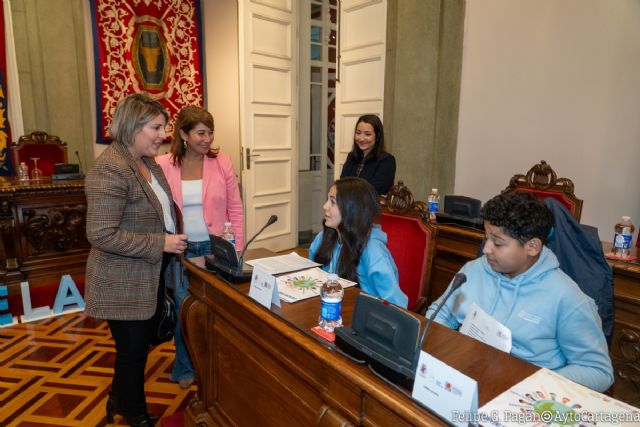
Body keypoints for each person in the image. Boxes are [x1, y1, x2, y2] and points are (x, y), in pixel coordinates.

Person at [426, 192, 613, 392]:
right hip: (467, 375)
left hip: (524, 394)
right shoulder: (474, 269)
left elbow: (598, 371)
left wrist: (530, 383)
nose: (486, 249)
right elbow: (440, 314)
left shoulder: (567, 298)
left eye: (497, 242)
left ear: (532, 247)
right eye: (486, 237)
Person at [85, 93, 188, 426]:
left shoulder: (147, 161)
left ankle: (118, 398)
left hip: (150, 274)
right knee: (132, 353)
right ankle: (136, 415)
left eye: (164, 127)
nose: (163, 135)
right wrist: (161, 242)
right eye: (156, 127)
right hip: (122, 281)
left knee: (138, 349)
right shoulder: (110, 169)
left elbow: (159, 211)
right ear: (132, 126)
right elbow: (101, 234)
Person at [156, 105, 244, 389]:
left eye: (210, 133)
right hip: (181, 250)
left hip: (215, 248)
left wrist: (236, 248)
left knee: (218, 312)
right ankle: (185, 368)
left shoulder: (223, 162)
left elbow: (235, 208)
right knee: (186, 310)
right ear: (183, 133)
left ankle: (217, 364)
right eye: (200, 133)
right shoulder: (162, 165)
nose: (207, 139)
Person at [309, 177, 408, 308]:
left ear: (352, 209)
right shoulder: (324, 237)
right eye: (327, 200)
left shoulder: (373, 251)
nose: (325, 206)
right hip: (330, 309)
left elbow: (396, 305)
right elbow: (311, 275)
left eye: (332, 202)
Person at [340, 114, 395, 195]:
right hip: (348, 205)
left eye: (367, 134)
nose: (361, 138)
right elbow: (341, 184)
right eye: (358, 133)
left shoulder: (386, 160)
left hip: (371, 207)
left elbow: (373, 191)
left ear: (378, 136)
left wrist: (349, 190)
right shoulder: (351, 157)